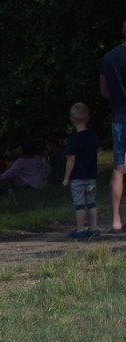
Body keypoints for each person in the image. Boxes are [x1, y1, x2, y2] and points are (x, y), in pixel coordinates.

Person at [100, 17, 126, 233]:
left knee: (119, 168)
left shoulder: (109, 58)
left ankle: (116, 220)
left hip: (119, 117)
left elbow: (104, 91)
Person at [63, 103, 101, 239]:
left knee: (79, 204)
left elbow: (71, 160)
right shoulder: (93, 136)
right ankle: (94, 227)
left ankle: (80, 229)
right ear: (88, 118)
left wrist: (66, 177)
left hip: (78, 179)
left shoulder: (73, 140)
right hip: (91, 178)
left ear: (72, 120)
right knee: (91, 201)